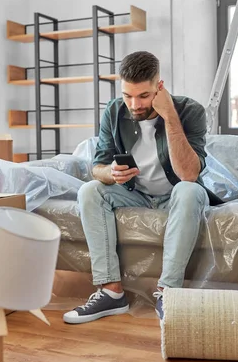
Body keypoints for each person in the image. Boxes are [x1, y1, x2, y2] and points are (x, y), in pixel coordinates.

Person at [62, 51, 223, 325]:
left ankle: (168, 293)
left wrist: (169, 115)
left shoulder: (189, 111)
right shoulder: (114, 111)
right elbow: (97, 168)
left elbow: (189, 173)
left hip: (175, 195)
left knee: (190, 190)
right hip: (134, 194)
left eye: (144, 96)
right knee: (89, 191)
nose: (134, 105)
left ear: (159, 87)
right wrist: (111, 174)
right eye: (128, 95)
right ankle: (111, 292)